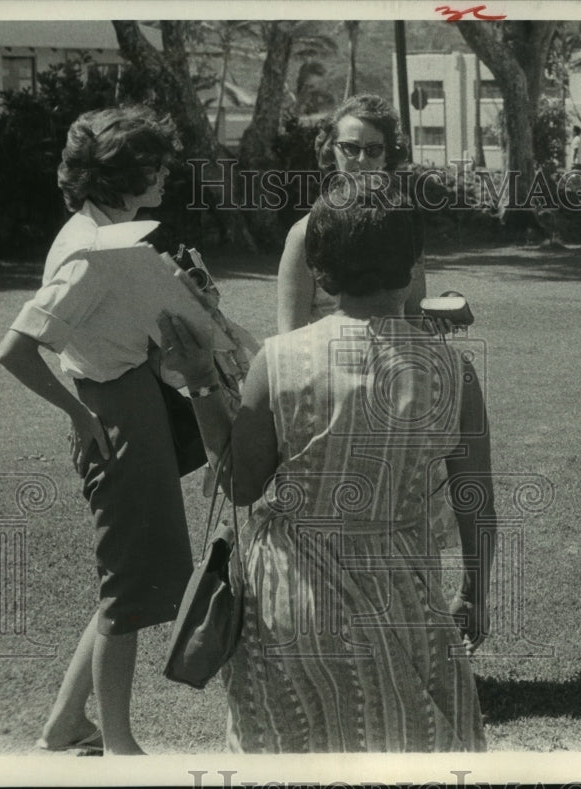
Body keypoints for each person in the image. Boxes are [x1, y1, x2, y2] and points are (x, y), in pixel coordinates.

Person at [160, 176, 493, 752]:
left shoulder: (279, 360)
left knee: (294, 750)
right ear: (414, 264)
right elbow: (476, 501)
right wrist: (476, 592)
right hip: (403, 594)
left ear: (320, 270)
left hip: (291, 599)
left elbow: (240, 484)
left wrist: (200, 383)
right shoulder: (453, 371)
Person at [0, 106, 195, 755]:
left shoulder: (107, 234)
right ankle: (118, 746)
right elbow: (15, 348)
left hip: (133, 398)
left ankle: (65, 723)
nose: (164, 174)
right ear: (122, 174)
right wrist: (81, 416)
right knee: (127, 592)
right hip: (113, 412)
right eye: (154, 165)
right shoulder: (91, 250)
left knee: (128, 578)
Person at [277, 93, 428, 333]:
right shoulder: (305, 235)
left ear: (388, 154)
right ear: (331, 150)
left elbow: (415, 321)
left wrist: (438, 322)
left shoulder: (403, 226)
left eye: (374, 149)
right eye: (349, 148)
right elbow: (289, 336)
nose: (361, 160)